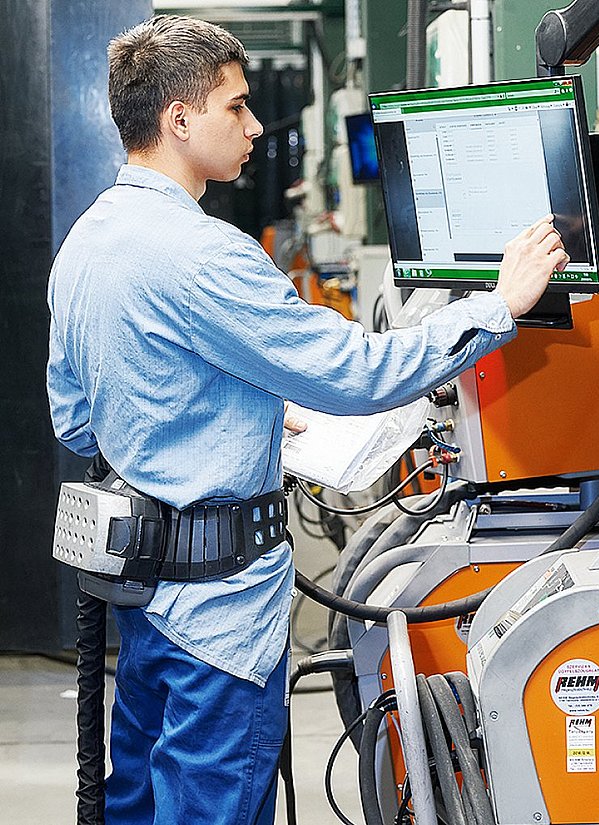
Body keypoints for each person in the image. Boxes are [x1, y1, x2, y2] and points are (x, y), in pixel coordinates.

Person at [46, 14, 569, 825]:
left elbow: (79, 421)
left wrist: (239, 407)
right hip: (220, 622)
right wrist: (498, 305)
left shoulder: (85, 242)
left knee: (137, 804)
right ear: (178, 120)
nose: (255, 126)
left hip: (146, 607)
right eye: (236, 107)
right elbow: (359, 373)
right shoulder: (206, 254)